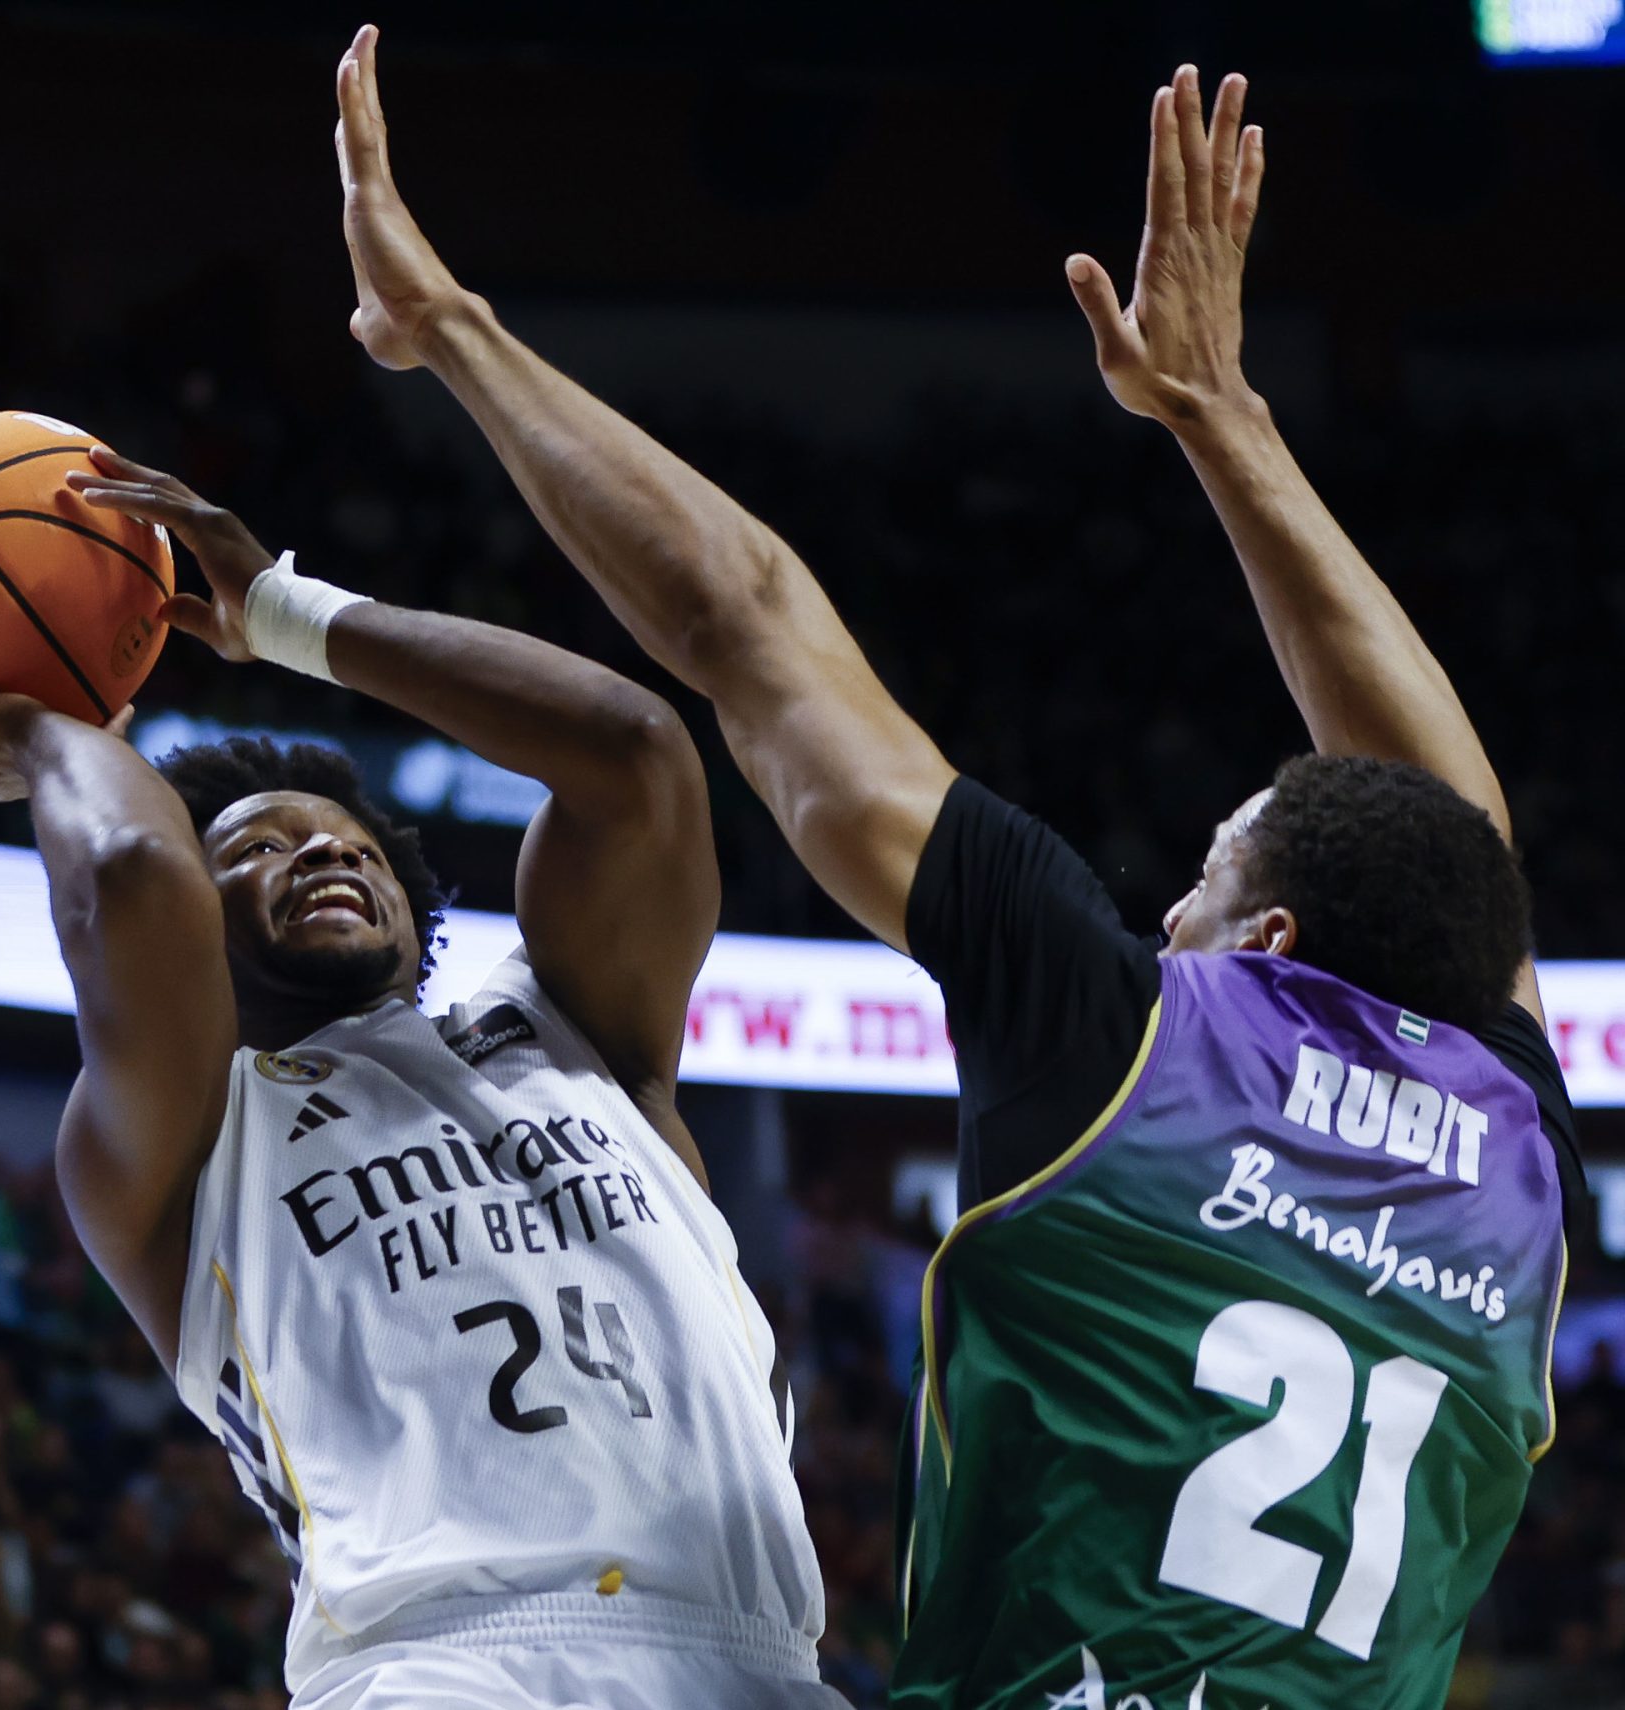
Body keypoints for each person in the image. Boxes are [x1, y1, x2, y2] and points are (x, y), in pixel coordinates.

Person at [326, 30, 1581, 1708]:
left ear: (1272, 940)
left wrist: (457, 337)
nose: (1163, 915)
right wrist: (1224, 422)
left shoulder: (1126, 1034)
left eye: (1199, 886)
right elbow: (1456, 846)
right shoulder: (1513, 1155)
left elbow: (745, 627)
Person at [0, 444, 839, 1705]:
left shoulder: (572, 1033)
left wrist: (287, 616)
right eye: (258, 846)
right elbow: (136, 875)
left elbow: (634, 754)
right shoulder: (191, 1139)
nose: (320, 854)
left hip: (756, 1664)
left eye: (346, 841)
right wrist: (42, 736)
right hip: (445, 1668)